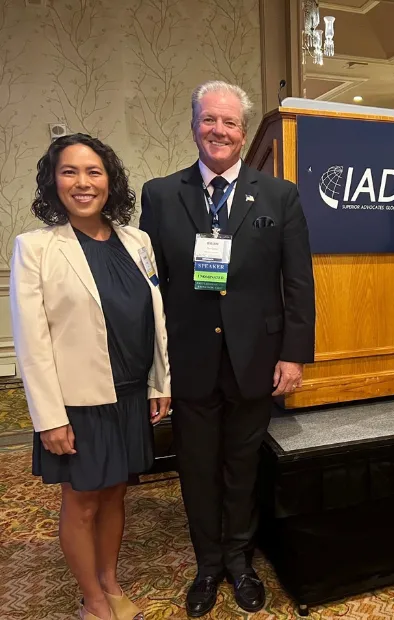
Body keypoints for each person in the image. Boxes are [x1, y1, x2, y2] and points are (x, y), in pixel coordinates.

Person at [140, 80, 315, 617]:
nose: (219, 130)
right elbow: (151, 287)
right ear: (194, 125)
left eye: (230, 122)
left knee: (242, 466)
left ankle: (240, 562)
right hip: (189, 359)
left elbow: (297, 282)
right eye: (209, 120)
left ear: (244, 131)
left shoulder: (280, 195)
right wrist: (155, 369)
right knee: (196, 468)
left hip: (255, 358)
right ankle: (208, 565)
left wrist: (293, 354)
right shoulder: (160, 194)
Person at [10, 133, 171, 620]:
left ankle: (110, 581)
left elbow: (155, 318)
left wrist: (159, 381)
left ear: (110, 181)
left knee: (117, 492)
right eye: (70, 172)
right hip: (77, 403)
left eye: (93, 172)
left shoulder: (137, 241)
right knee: (81, 502)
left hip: (130, 393)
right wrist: (49, 418)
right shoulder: (36, 248)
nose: (83, 183)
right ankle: (94, 601)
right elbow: (32, 341)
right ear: (53, 182)